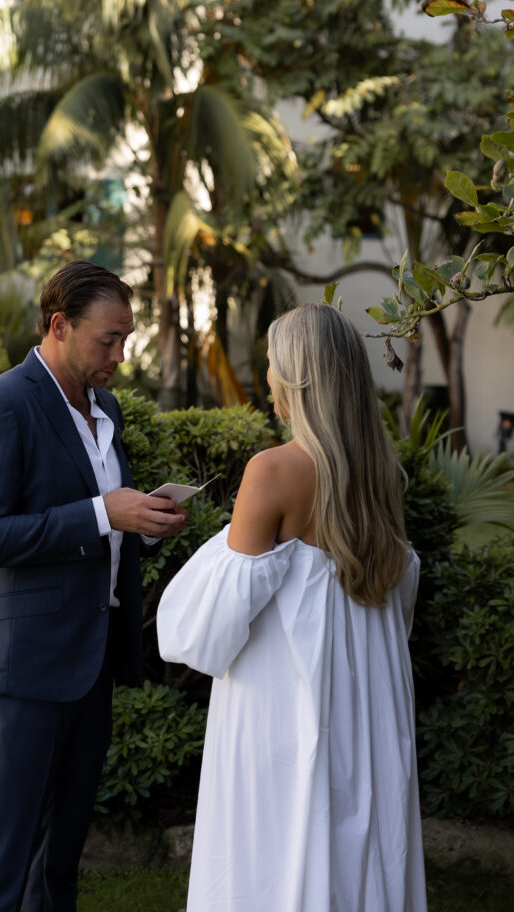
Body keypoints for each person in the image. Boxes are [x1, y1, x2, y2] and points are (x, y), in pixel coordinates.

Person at [157, 303, 427, 912]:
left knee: (275, 838)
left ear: (298, 377)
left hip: (283, 696)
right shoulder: (380, 472)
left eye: (274, 365)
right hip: (366, 697)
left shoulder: (273, 470)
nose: (269, 378)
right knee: (359, 828)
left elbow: (212, 629)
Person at [0, 260, 188, 912]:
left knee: (59, 865)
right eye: (106, 339)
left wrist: (142, 525)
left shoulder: (105, 406)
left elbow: (100, 521)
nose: (120, 354)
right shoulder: (1, 405)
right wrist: (103, 513)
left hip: (93, 661)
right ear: (59, 326)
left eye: (127, 339)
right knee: (2, 867)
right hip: (25, 668)